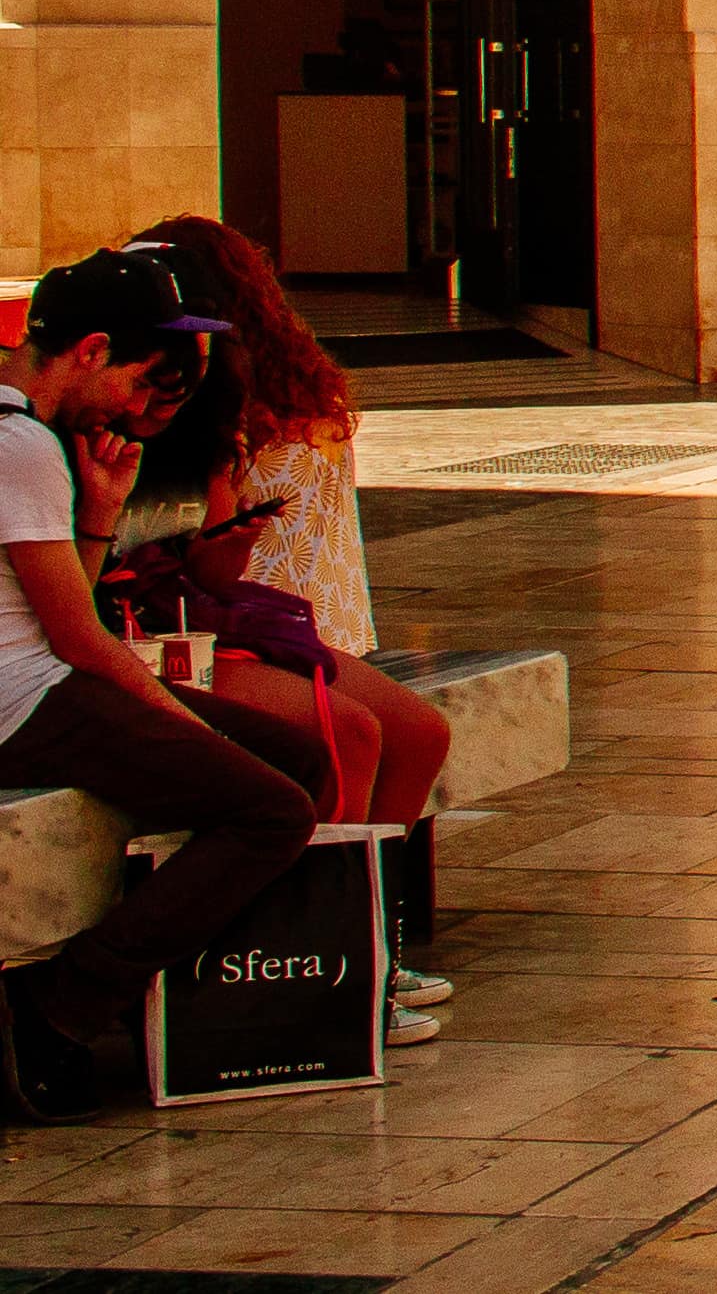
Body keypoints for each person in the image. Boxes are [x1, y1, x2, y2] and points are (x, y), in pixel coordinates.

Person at [0, 247, 336, 1120]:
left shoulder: (29, 439)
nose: (141, 409)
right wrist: (177, 722)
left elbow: (60, 606)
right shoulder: (21, 444)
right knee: (274, 808)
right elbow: (77, 637)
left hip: (43, 679)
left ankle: (176, 1005)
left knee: (299, 757)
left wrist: (101, 514)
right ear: (93, 351)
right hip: (21, 700)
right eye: (143, 379)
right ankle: (55, 1013)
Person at [124, 222, 457, 876]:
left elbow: (216, 570)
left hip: (251, 618)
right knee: (352, 733)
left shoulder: (219, 407)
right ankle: (315, 949)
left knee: (422, 731)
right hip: (180, 629)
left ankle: (368, 940)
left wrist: (230, 532)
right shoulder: (118, 415)